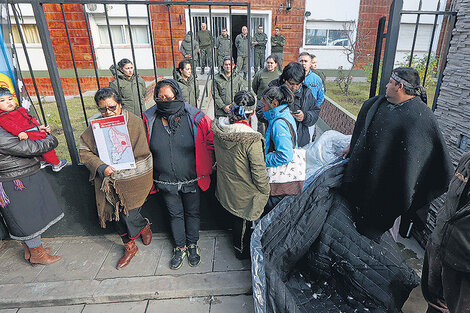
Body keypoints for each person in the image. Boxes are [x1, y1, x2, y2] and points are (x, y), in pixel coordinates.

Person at [340, 67, 453, 237]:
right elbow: (365, 128)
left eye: (390, 83)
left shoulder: (421, 117)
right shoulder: (381, 105)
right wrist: (353, 145)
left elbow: (431, 161)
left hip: (392, 188)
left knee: (382, 231)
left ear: (400, 86)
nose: (386, 86)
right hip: (369, 180)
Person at [142, 79, 214, 270]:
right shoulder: (149, 120)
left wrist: (210, 165)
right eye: (160, 97)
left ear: (177, 95)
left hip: (191, 178)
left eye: (168, 97)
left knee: (192, 213)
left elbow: (209, 142)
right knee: (174, 214)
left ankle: (192, 245)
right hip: (165, 180)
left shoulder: (195, 118)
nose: (164, 100)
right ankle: (179, 247)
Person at [79, 87, 153, 270]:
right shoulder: (95, 125)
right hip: (108, 182)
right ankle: (130, 246)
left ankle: (143, 226)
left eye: (112, 107)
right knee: (115, 216)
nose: (107, 113)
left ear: (120, 105)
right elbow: (84, 151)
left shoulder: (135, 122)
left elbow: (144, 152)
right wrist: (102, 167)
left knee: (129, 215)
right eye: (102, 109)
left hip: (134, 180)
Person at [0, 110, 63, 265]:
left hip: (16, 173)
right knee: (27, 217)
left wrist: (35, 132)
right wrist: (49, 139)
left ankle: (31, 250)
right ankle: (37, 254)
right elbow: (26, 147)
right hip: (14, 177)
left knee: (28, 213)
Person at [212, 91, 269, 259]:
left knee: (235, 218)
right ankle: (241, 252)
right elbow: (259, 173)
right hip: (245, 191)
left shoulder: (219, 128)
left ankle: (238, 246)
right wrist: (265, 190)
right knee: (244, 221)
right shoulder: (252, 139)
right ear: (252, 113)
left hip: (226, 184)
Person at [421, 151, 470, 313]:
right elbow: (452, 200)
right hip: (439, 246)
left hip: (464, 266)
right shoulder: (466, 158)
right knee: (435, 304)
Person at [0, 87, 67, 172]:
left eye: (10, 99)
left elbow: (27, 122)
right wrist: (19, 132)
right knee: (45, 148)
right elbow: (10, 125)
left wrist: (38, 127)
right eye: (2, 100)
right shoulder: (3, 116)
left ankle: (44, 161)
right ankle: (56, 163)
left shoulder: (18, 110)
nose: (8, 102)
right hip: (27, 134)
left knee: (41, 147)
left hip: (33, 130)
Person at [262, 62, 320, 148]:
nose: (294, 87)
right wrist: (279, 114)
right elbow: (260, 110)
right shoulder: (273, 88)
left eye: (298, 84)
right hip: (276, 141)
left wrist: (305, 116)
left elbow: (315, 112)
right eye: (291, 84)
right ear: (284, 79)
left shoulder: (306, 92)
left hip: (300, 142)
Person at [261, 85, 297, 212]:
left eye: (265, 106)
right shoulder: (284, 114)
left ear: (274, 103)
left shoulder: (279, 123)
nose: (263, 109)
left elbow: (285, 155)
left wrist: (262, 159)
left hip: (278, 182)